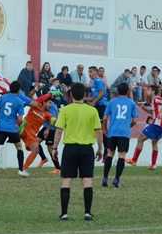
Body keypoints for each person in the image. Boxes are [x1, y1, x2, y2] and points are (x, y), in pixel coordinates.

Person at [52, 82, 103, 221]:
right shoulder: (92, 110)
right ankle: (87, 213)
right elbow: (98, 131)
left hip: (70, 148)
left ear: (71, 94)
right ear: (84, 95)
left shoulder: (66, 110)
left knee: (66, 180)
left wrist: (55, 147)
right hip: (87, 149)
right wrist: (100, 148)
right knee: (87, 181)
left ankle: (64, 213)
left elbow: (58, 130)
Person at [0, 81, 26, 179]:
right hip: (12, 128)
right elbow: (20, 119)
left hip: (0, 127)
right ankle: (20, 170)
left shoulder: (2, 98)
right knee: (19, 147)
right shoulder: (19, 101)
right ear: (19, 90)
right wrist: (17, 123)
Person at [102, 82, 138, 188]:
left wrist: (105, 129)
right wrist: (128, 126)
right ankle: (116, 179)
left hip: (113, 132)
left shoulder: (111, 102)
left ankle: (105, 178)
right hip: (124, 133)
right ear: (127, 91)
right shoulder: (131, 103)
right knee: (121, 155)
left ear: (117, 91)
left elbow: (104, 118)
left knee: (109, 154)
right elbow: (135, 120)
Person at [126, 85, 162, 170]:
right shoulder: (152, 101)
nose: (146, 91)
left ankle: (134, 160)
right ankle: (153, 164)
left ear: (153, 91)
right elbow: (153, 113)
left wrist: (161, 112)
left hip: (157, 124)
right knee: (154, 142)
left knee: (140, 139)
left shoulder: (156, 98)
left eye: (149, 90)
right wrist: (144, 109)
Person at [88, 66, 108, 158]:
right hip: (97, 105)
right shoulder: (93, 83)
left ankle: (106, 150)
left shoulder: (98, 81)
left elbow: (102, 93)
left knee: (101, 128)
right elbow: (95, 97)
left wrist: (94, 102)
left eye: (91, 71)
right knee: (96, 127)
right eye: (89, 72)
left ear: (96, 72)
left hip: (101, 106)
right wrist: (84, 99)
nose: (89, 73)